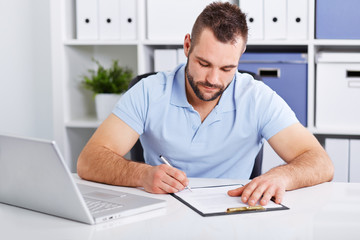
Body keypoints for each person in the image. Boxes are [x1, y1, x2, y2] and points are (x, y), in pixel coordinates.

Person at [77, 2, 334, 207]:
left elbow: (320, 162)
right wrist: (141, 175)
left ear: (240, 58)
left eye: (227, 68)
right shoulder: (149, 91)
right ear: (187, 45)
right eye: (204, 63)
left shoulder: (256, 97)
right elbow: (89, 160)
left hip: (233, 213)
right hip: (163, 213)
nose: (213, 79)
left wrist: (282, 175)